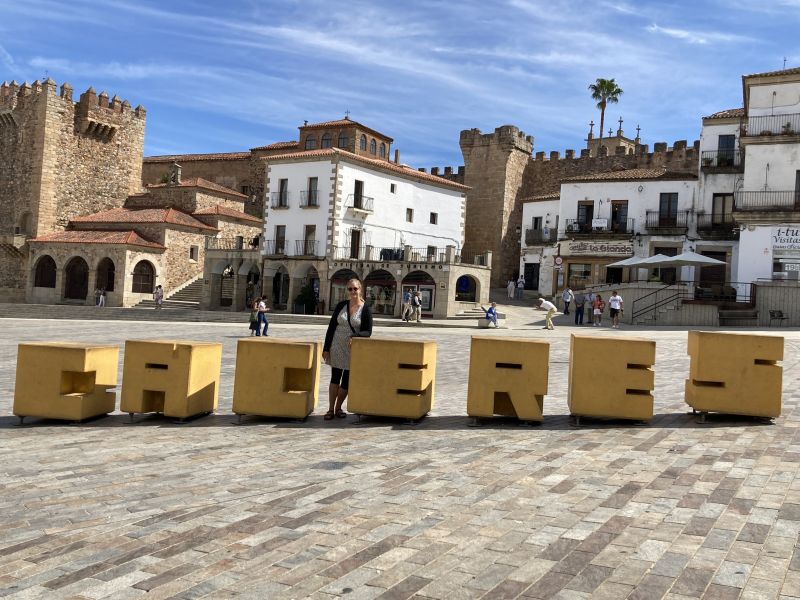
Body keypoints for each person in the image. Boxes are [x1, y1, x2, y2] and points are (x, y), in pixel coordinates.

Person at [322, 278, 373, 420]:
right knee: (335, 378)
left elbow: (368, 332)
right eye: (350, 289)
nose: (352, 292)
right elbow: (331, 327)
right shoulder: (341, 305)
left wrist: (354, 335)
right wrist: (326, 347)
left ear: (360, 289)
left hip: (353, 349)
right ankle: (330, 409)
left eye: (355, 289)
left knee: (346, 380)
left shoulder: (366, 309)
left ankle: (339, 407)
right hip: (337, 346)